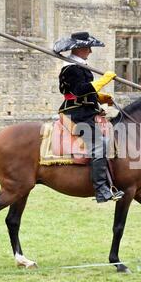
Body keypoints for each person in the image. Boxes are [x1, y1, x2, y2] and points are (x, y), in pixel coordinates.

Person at [53, 32, 124, 203]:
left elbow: (82, 91)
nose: (90, 51)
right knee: (99, 144)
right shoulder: (71, 68)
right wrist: (104, 80)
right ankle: (101, 190)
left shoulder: (79, 66)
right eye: (88, 48)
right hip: (77, 113)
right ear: (79, 49)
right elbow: (80, 91)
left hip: (85, 109)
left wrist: (100, 98)